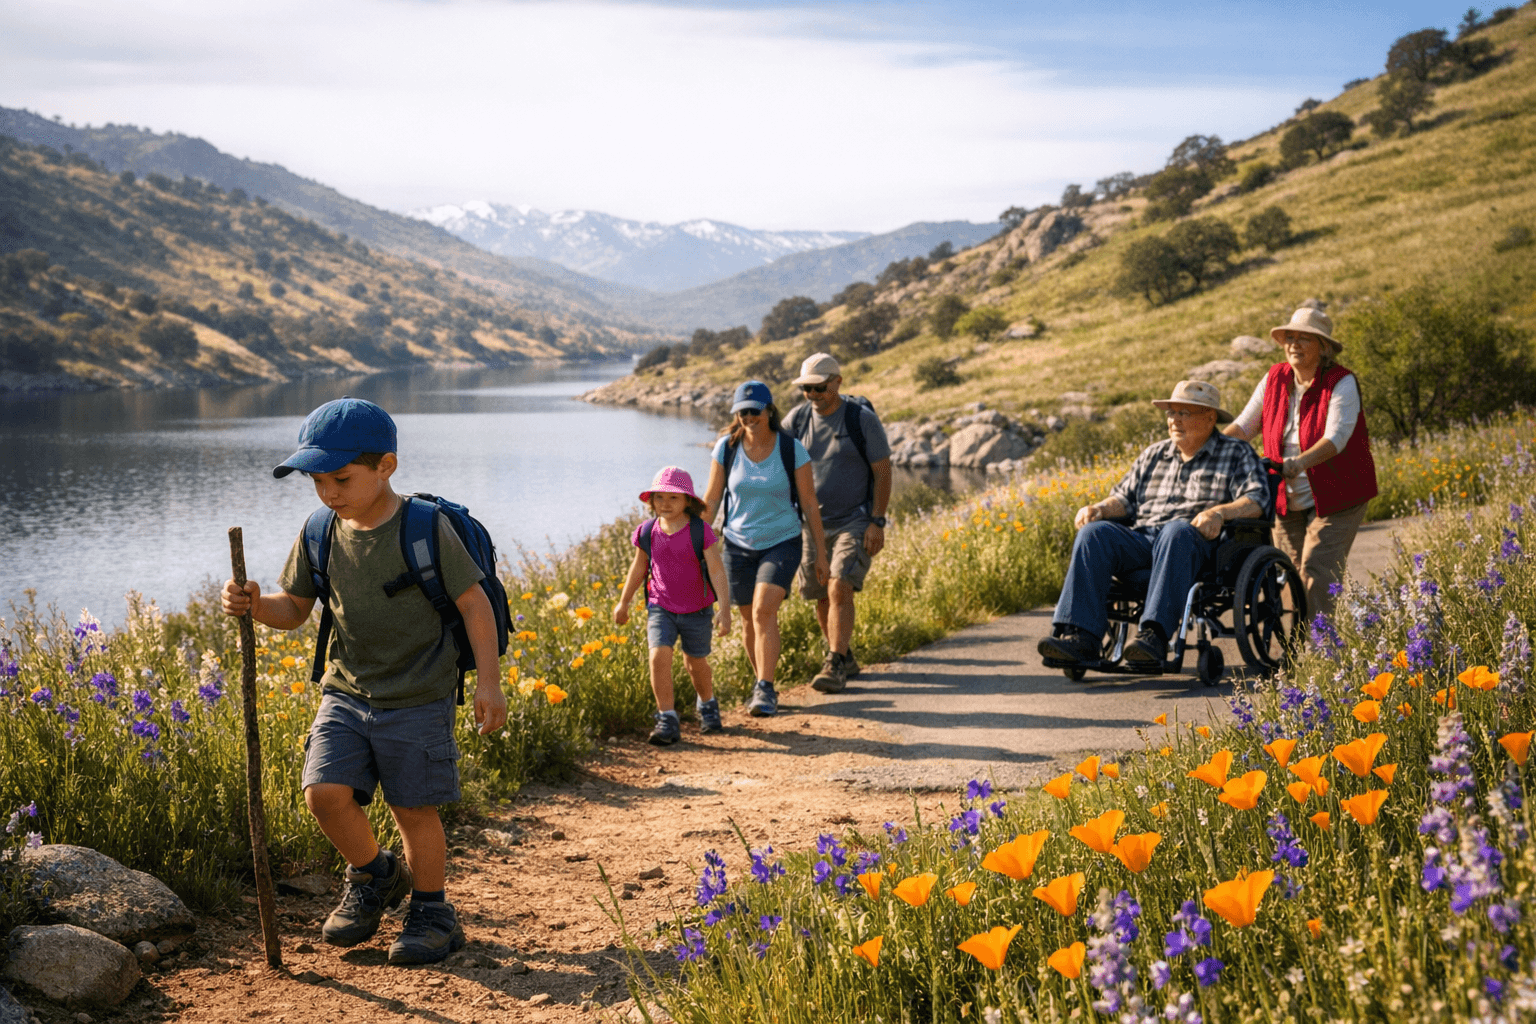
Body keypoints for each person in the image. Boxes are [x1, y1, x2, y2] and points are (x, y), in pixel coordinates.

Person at [220, 397, 507, 965]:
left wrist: (488, 684)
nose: (328, 492)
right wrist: (255, 603)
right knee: (323, 793)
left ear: (386, 467)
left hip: (420, 696)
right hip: (346, 692)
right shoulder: (321, 530)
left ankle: (432, 911)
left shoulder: (425, 529)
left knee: (413, 811)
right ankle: (376, 875)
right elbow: (296, 607)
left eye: (342, 478)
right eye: (317, 480)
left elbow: (475, 606)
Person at [1038, 380, 1269, 669]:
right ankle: (1081, 637)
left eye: (1185, 413)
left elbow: (1256, 500)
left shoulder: (1235, 453)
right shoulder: (1154, 454)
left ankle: (1154, 636)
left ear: (1210, 417)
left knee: (1176, 530)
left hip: (1195, 543)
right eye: (1171, 413)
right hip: (1144, 538)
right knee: (1093, 534)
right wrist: (1098, 508)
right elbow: (1123, 499)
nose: (1175, 420)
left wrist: (1220, 513)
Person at [1223, 305, 1377, 620]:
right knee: (1290, 572)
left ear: (1323, 348)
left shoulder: (1341, 381)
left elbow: (1336, 438)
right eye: (1289, 337)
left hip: (1338, 491)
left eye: (1305, 338)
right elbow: (1244, 426)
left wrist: (1297, 463)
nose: (1294, 344)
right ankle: (1299, 646)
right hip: (1285, 492)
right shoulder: (1275, 378)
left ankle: (1319, 650)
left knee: (1316, 570)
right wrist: (1215, 451)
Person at [702, 380, 829, 716]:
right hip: (737, 543)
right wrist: (693, 538)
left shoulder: (791, 449)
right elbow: (713, 499)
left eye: (754, 411)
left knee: (762, 611)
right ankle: (762, 685)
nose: (748, 417)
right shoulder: (726, 448)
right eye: (742, 412)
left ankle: (765, 688)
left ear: (769, 410)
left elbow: (810, 503)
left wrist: (821, 552)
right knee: (748, 620)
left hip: (782, 541)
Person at [783, 352, 892, 694]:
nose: (813, 396)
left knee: (839, 584)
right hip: (811, 524)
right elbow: (768, 448)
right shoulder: (798, 419)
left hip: (855, 520)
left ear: (837, 382)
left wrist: (877, 521)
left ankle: (833, 664)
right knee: (820, 596)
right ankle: (844, 655)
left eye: (819, 388)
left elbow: (883, 471)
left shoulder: (861, 419)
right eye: (806, 390)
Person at [613, 466, 731, 745]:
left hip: (697, 609)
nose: (665, 504)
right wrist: (623, 603)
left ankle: (708, 704)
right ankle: (667, 718)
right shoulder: (646, 532)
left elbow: (716, 570)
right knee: (658, 658)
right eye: (660, 498)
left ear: (688, 501)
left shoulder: (700, 531)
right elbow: (639, 567)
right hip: (660, 606)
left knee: (695, 663)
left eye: (674, 498)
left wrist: (724, 609)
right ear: (651, 501)